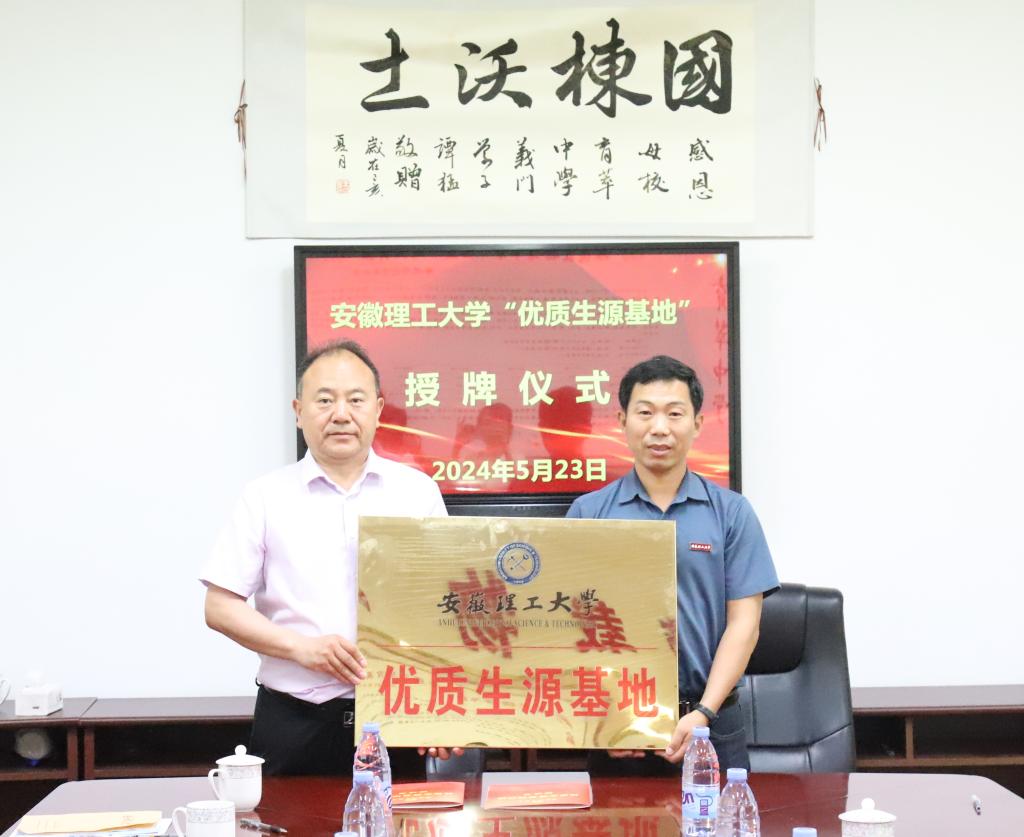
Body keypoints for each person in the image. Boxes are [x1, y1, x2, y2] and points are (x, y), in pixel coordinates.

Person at [201, 340, 460, 774]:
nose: (341, 414)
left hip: (396, 716)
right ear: (298, 410)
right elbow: (219, 606)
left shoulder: (416, 493)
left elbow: (446, 607)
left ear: (378, 409)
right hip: (293, 719)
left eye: (356, 400)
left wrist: (442, 702)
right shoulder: (264, 496)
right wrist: (301, 649)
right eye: (324, 400)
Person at [566, 355, 778, 772]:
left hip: (712, 721)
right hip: (615, 724)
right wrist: (610, 715)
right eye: (645, 413)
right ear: (622, 421)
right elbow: (569, 626)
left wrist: (704, 712)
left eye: (674, 413)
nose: (659, 427)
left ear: (697, 424)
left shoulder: (731, 513)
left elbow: (745, 624)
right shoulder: (589, 513)